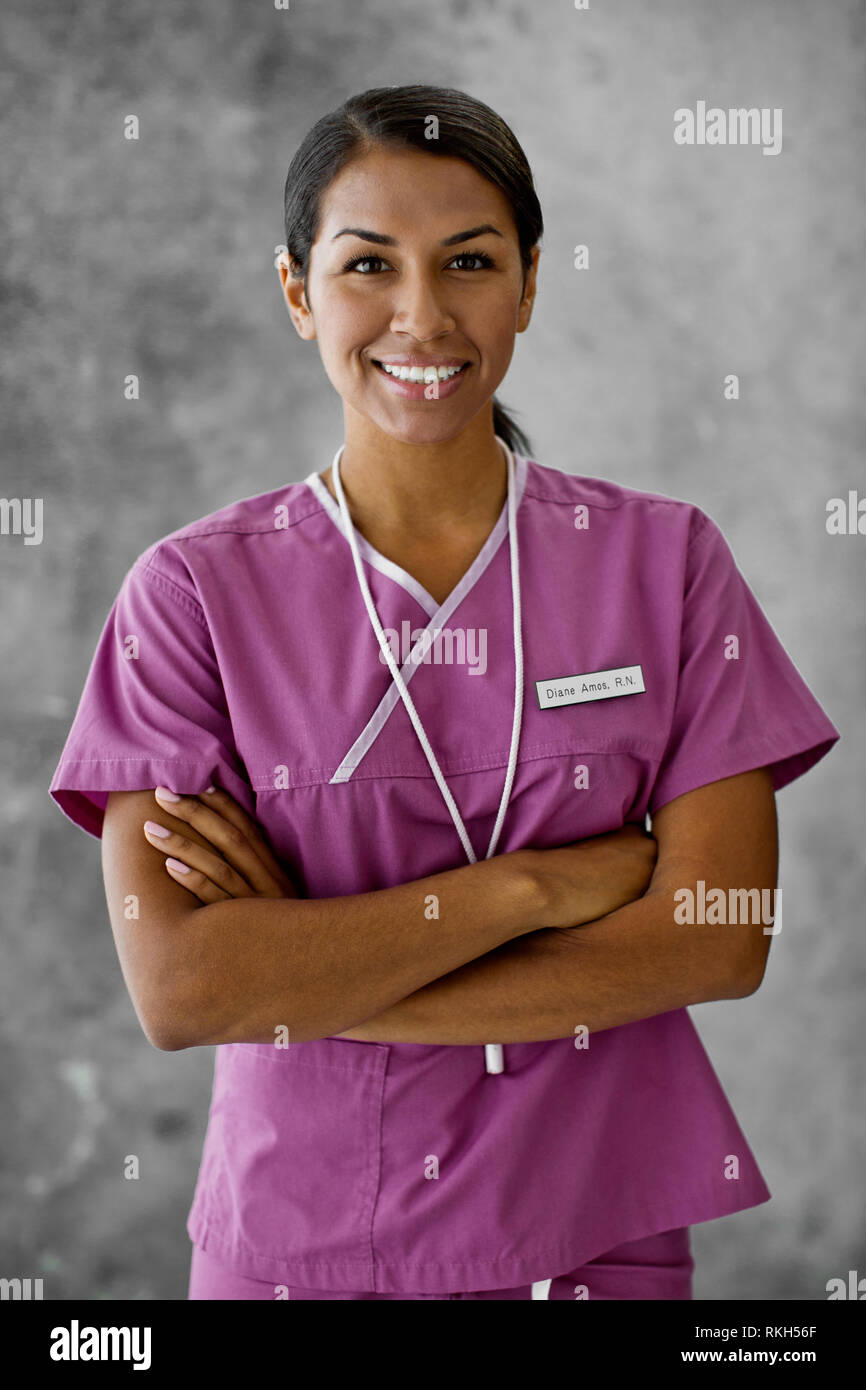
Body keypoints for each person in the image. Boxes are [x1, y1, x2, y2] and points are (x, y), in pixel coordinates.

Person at [49, 85, 840, 1301]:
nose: (420, 317)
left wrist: (305, 977)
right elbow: (187, 988)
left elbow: (717, 933)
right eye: (367, 265)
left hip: (592, 1237)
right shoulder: (191, 598)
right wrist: (539, 885)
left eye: (468, 261)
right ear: (298, 292)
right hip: (298, 1242)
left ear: (527, 282)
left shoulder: (663, 562)